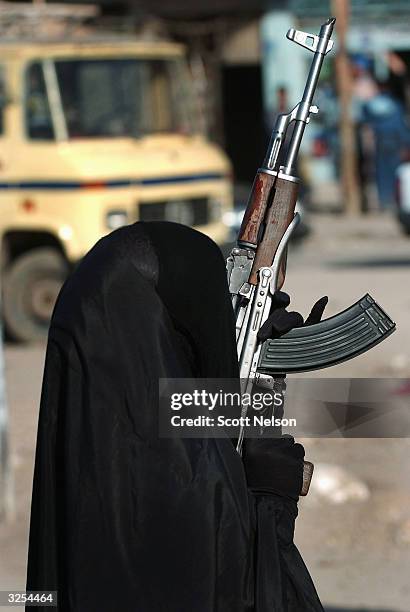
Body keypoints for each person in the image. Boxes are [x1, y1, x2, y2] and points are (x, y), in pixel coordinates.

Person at [26, 221, 326, 611]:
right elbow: (253, 592)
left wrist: (259, 376)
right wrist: (271, 498)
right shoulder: (194, 486)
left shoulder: (79, 453)